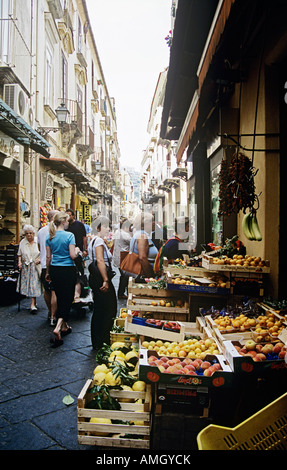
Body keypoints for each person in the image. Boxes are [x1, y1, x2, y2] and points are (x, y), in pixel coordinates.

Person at [45, 212, 80, 347]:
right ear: (64, 222)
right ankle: (58, 327)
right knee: (67, 298)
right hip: (67, 270)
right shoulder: (69, 236)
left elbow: (48, 257)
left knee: (60, 297)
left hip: (54, 269)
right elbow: (72, 256)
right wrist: (77, 250)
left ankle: (65, 326)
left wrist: (48, 272)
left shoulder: (50, 236)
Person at [88, 216, 117, 350]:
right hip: (101, 278)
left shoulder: (94, 240)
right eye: (105, 226)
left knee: (100, 309)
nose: (108, 229)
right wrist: (106, 280)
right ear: (98, 228)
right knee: (108, 309)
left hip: (95, 277)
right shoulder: (98, 241)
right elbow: (100, 261)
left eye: (108, 226)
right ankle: (103, 340)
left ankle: (98, 341)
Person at [37, 210, 58, 325]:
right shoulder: (58, 229)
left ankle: (50, 311)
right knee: (55, 291)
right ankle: (54, 315)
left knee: (47, 290)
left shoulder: (40, 231)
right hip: (56, 263)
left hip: (44, 264)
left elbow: (39, 248)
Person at [17, 224, 42, 313]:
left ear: (33, 233)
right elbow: (19, 254)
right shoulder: (22, 242)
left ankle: (32, 304)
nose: (29, 235)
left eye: (30, 233)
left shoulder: (37, 241)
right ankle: (33, 302)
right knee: (28, 284)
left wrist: (40, 259)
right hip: (26, 266)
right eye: (27, 233)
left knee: (34, 284)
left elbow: (42, 252)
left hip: (35, 266)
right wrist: (19, 262)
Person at [66, 209, 88, 302]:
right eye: (66, 215)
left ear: (73, 216)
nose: (68, 217)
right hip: (68, 252)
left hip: (78, 251)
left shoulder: (79, 225)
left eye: (69, 215)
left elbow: (84, 238)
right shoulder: (65, 226)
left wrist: (85, 249)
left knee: (80, 270)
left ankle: (81, 289)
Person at [129, 212, 158, 278]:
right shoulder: (142, 236)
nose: (154, 223)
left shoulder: (140, 234)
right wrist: (150, 276)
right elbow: (142, 258)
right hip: (144, 276)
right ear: (143, 224)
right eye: (151, 221)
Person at [113, 218, 132, 299]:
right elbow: (133, 242)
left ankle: (122, 292)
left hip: (118, 257)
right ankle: (121, 293)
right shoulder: (125, 234)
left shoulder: (117, 232)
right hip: (123, 258)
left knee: (124, 275)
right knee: (125, 276)